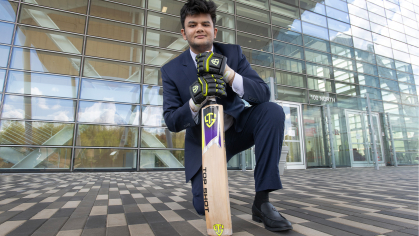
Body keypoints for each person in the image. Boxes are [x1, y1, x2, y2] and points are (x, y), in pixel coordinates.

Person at [161, 0, 292, 232]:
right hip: (204, 141)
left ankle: (262, 202)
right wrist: (195, 100)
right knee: (204, 207)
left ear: (214, 30)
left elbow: (263, 93)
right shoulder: (170, 70)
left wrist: (229, 74)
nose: (199, 28)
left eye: (205, 24)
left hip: (237, 130)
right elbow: (171, 121)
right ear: (184, 33)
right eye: (192, 25)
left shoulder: (233, 53)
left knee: (272, 111)